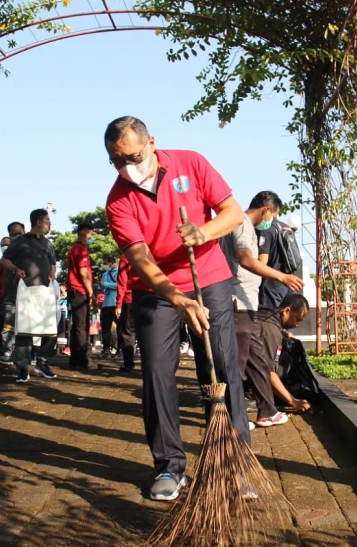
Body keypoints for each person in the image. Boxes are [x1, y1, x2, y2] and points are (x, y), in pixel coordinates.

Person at [104, 116, 248, 501]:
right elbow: (140, 260)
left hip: (210, 278)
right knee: (156, 371)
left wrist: (204, 232)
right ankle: (169, 466)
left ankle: (235, 460)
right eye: (117, 162)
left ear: (151, 142)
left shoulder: (191, 163)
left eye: (133, 157)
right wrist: (179, 299)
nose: (128, 168)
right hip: (156, 292)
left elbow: (232, 213)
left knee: (219, 362)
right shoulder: (118, 200)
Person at [219, 200, 281, 427]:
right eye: (273, 215)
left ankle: (267, 410)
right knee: (237, 363)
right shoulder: (243, 224)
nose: (272, 221)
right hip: (239, 302)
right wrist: (281, 276)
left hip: (246, 302)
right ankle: (233, 418)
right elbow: (246, 260)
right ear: (266, 210)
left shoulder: (238, 225)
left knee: (256, 360)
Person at [0, 209, 58, 381]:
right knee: (24, 331)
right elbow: (5, 260)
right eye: (47, 220)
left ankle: (42, 364)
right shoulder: (20, 241)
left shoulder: (48, 243)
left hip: (46, 289)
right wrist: (16, 269)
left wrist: (53, 270)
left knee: (50, 330)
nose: (49, 223)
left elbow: (53, 262)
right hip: (25, 288)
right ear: (38, 222)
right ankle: (23, 368)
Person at [258, 293, 312, 414]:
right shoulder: (271, 331)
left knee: (286, 359)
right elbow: (268, 372)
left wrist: (284, 333)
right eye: (297, 319)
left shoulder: (267, 317)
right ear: (286, 311)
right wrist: (293, 401)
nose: (297, 325)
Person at [67, 223, 98, 370]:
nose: (91, 237)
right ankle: (84, 359)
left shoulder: (73, 248)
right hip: (80, 290)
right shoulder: (81, 250)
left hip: (74, 290)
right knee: (82, 326)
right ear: (85, 232)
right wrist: (91, 292)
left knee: (76, 326)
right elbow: (83, 273)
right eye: (91, 234)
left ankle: (75, 359)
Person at [0, 222, 25, 363]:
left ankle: (27, 354)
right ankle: (7, 352)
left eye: (19, 233)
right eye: (14, 234)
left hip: (28, 295)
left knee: (27, 324)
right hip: (12, 294)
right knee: (9, 324)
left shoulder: (31, 249)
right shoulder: (9, 253)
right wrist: (4, 293)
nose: (17, 236)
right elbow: (6, 274)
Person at [115, 257, 136, 372]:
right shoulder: (146, 251)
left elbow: (122, 281)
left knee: (128, 332)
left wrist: (118, 304)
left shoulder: (126, 257)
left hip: (129, 299)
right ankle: (149, 364)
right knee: (145, 332)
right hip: (145, 298)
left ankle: (129, 364)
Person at [99, 254, 119, 358]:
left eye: (106, 263)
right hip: (106, 303)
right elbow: (103, 286)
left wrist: (105, 284)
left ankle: (119, 349)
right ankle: (106, 349)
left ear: (111, 262)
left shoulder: (119, 271)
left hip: (116, 303)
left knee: (120, 328)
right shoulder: (105, 274)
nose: (105, 266)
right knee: (105, 329)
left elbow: (119, 285)